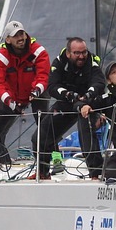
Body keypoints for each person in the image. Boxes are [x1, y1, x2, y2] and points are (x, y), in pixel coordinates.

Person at [0, 21, 50, 177]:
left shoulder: (38, 51)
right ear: (8, 39)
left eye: (21, 34)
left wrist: (36, 90)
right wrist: (9, 101)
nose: (20, 38)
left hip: (36, 91)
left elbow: (43, 75)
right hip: (12, 95)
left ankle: (53, 160)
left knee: (45, 125)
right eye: (15, 36)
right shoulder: (2, 56)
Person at [37, 38, 106, 179]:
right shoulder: (59, 62)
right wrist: (68, 94)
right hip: (67, 102)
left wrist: (88, 95)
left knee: (86, 131)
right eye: (77, 53)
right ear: (68, 53)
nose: (81, 56)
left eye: (84, 52)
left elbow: (99, 83)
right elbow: (52, 86)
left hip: (87, 103)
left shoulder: (92, 62)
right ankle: (43, 173)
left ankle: (96, 173)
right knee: (40, 136)